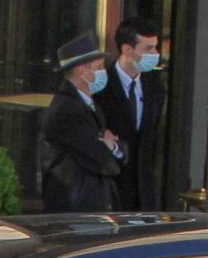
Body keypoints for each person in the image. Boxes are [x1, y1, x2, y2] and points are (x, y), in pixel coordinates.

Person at [36, 31, 123, 212]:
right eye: (99, 67)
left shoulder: (88, 105)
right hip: (74, 210)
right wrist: (108, 146)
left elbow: (118, 152)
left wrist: (113, 146)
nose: (103, 72)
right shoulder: (66, 109)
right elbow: (99, 158)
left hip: (89, 208)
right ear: (82, 72)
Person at [92, 18, 165, 210]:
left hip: (143, 197)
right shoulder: (100, 87)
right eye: (148, 49)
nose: (155, 54)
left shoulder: (156, 89)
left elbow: (151, 141)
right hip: (110, 193)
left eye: (156, 48)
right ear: (127, 50)